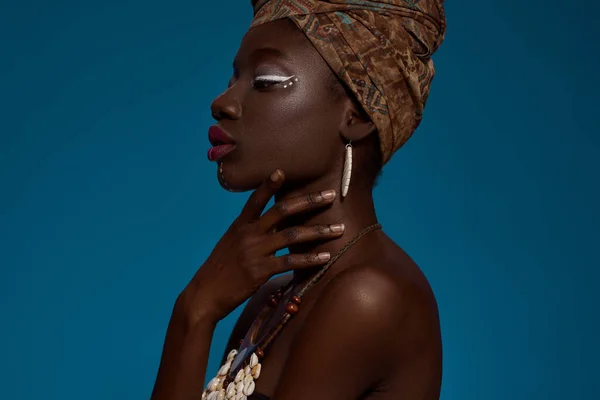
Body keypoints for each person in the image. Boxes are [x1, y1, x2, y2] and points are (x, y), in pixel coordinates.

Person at [151, 1, 446, 399]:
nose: (222, 102)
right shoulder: (270, 300)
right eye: (234, 77)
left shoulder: (370, 296)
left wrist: (195, 312)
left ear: (356, 115)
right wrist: (193, 307)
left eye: (266, 80)